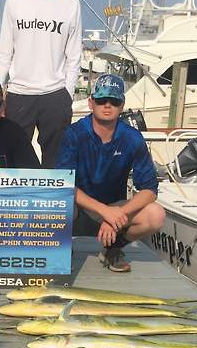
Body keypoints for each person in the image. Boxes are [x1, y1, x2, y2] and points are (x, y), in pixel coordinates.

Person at [56, 74, 165, 273]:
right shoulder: (74, 134)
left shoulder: (132, 138)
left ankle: (113, 248)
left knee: (156, 215)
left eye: (114, 101)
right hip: (80, 207)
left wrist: (118, 213)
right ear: (91, 103)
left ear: (122, 105)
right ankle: (63, 249)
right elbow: (63, 184)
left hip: (115, 210)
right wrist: (104, 211)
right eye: (101, 100)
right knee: (59, 204)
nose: (107, 105)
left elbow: (150, 190)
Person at [0, 0, 82, 169]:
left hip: (55, 95)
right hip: (19, 94)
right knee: (13, 163)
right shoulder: (14, 2)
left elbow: (74, 56)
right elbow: (4, 53)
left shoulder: (71, 4)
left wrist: (67, 94)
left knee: (56, 164)